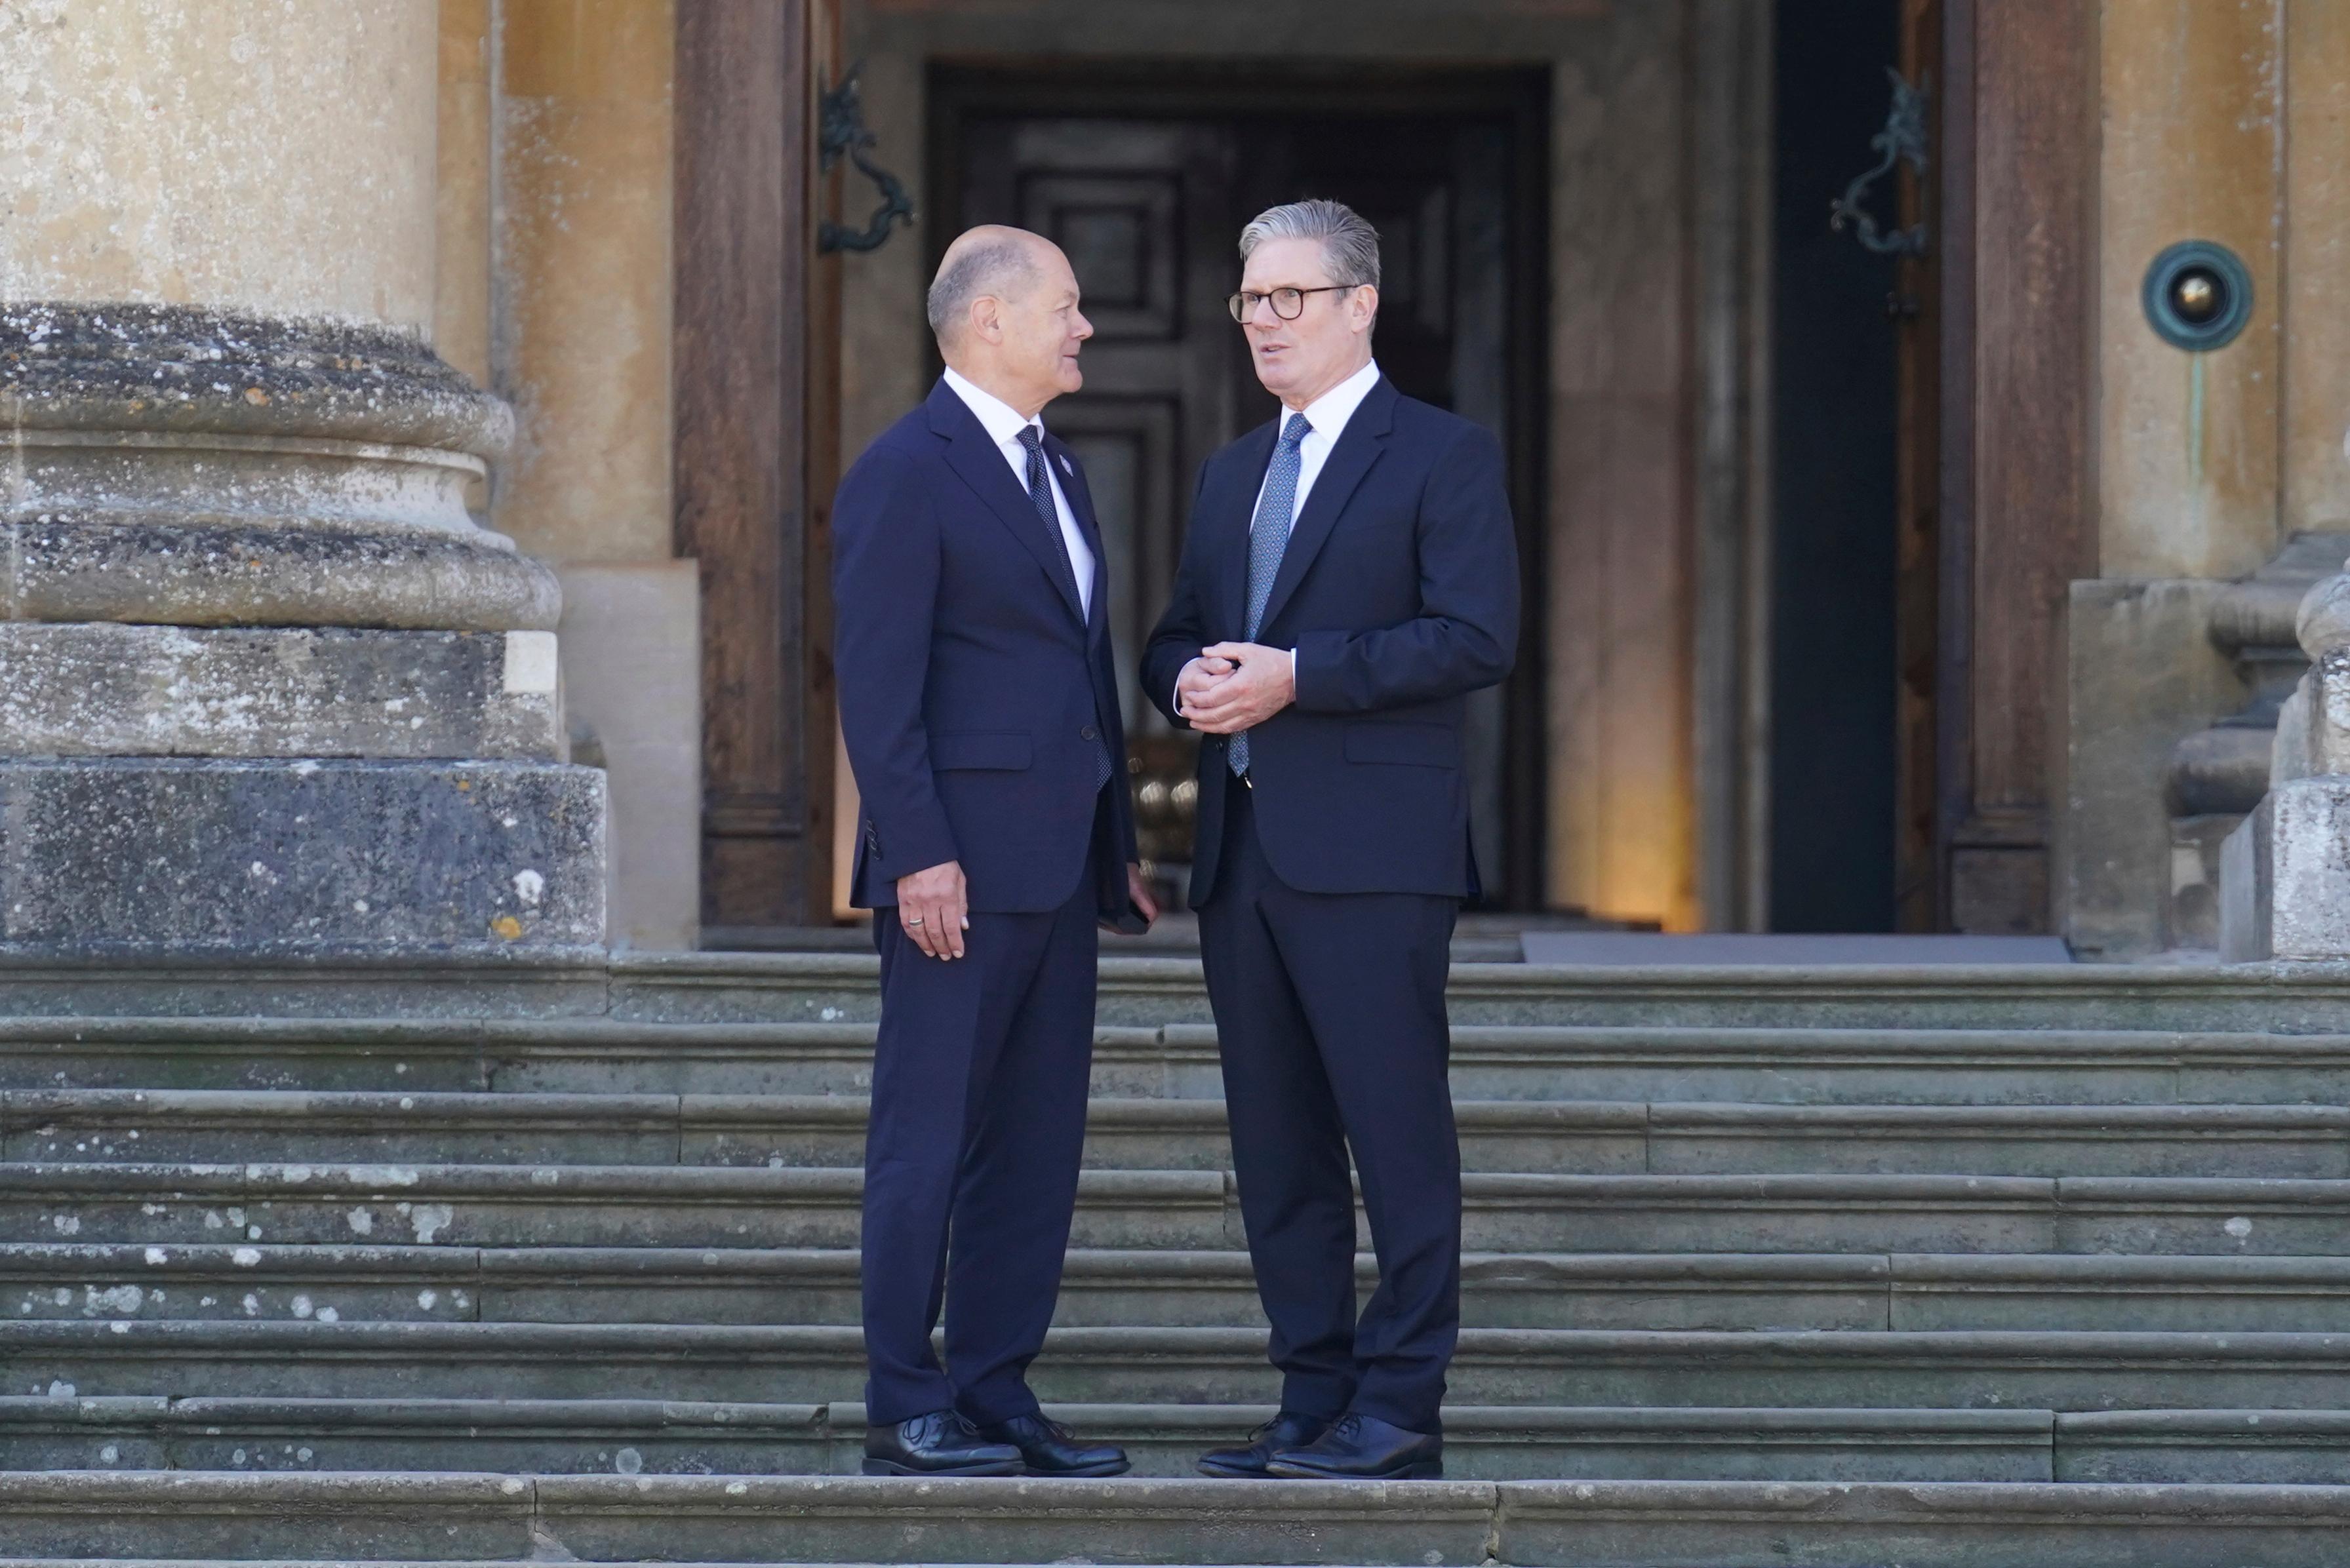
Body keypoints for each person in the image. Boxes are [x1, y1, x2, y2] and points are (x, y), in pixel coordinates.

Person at [1141, 199, 1519, 1481]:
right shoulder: (1230, 471)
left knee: (1394, 1136)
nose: (1261, 322)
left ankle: (1400, 1403)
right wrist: (1187, 680)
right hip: (1241, 858)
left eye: (1286, 298)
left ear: (1359, 303)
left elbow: (1475, 636)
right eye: (1249, 300)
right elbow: (1176, 628)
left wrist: (1298, 675)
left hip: (1373, 855)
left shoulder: (1442, 455)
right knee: (1278, 1146)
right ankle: (1311, 1398)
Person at [833, 224, 1157, 1479]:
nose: (1084, 328)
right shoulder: (907, 470)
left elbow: (1076, 676)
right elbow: (878, 684)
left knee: (1035, 1142)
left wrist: (1114, 847)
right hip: (953, 873)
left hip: (1059, 867)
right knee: (928, 1135)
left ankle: (995, 1386)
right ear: (989, 324)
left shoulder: (1058, 471)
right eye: (1067, 308)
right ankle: (904, 1398)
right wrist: (918, 853)